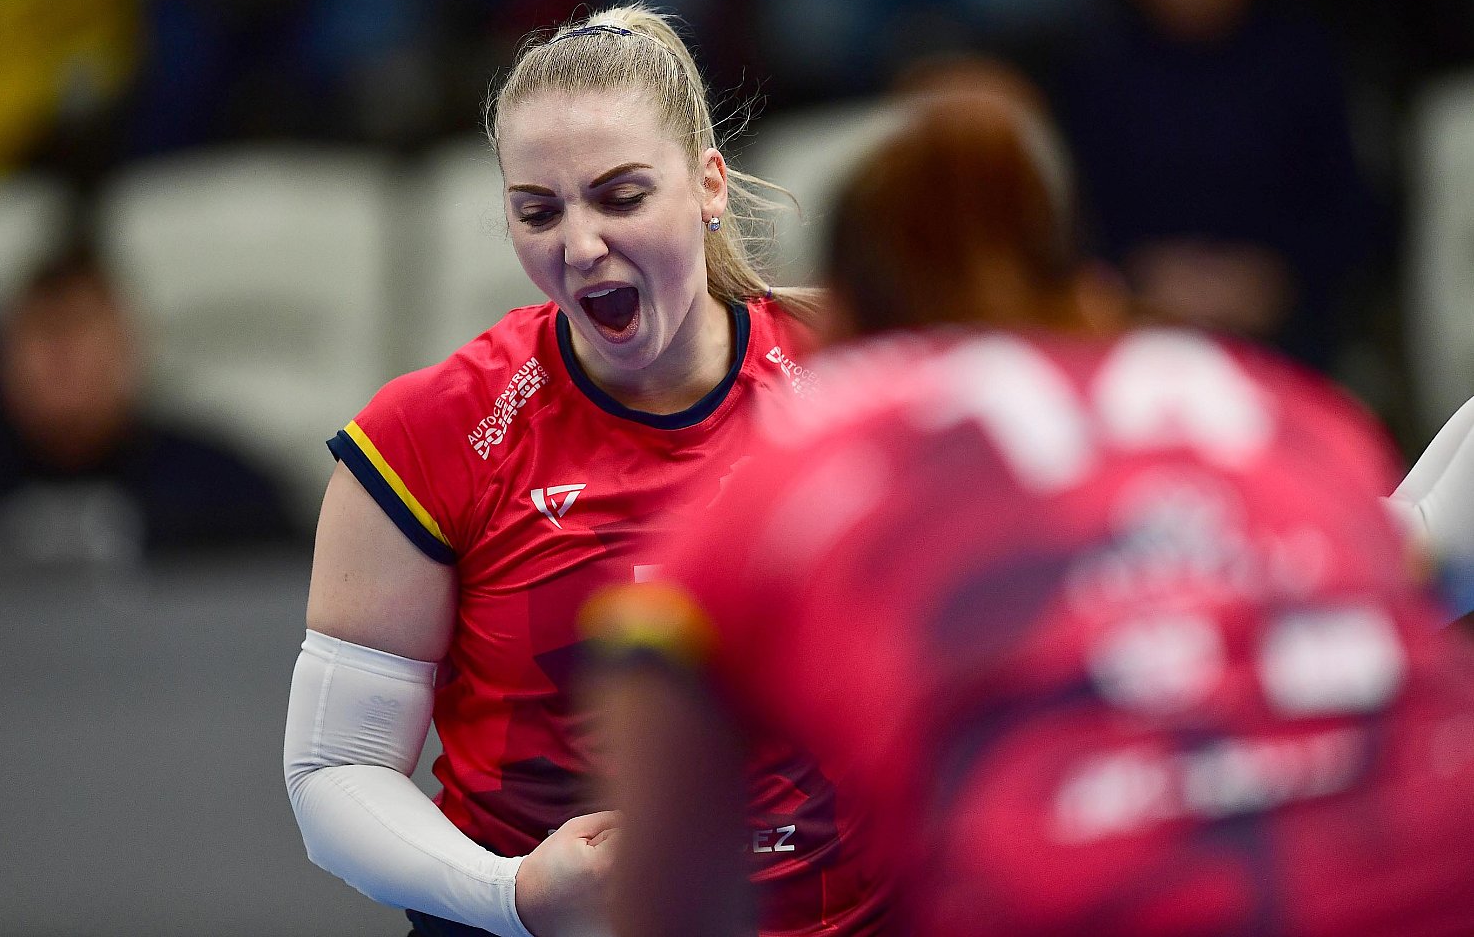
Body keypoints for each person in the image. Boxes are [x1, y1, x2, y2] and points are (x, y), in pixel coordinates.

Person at [587, 73, 1474, 936]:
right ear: (1095, 294)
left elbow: (666, 874)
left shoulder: (805, 457)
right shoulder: (1295, 410)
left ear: (843, 321)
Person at [283, 4, 890, 937]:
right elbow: (336, 770)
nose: (578, 246)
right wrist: (512, 894)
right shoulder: (426, 437)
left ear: (710, 185)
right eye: (538, 212)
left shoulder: (867, 380)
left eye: (621, 197)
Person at [1054, 0, 1378, 370]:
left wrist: (1275, 279)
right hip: (1129, 329)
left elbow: (1349, 213)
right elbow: (1070, 221)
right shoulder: (1094, 67)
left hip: (1280, 337)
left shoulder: (1302, 61)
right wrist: (1136, 275)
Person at [0, 241, 301, 567]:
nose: (61, 353)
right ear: (1, 359)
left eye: (80, 327)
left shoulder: (224, 492)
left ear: (130, 348)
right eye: (42, 331)